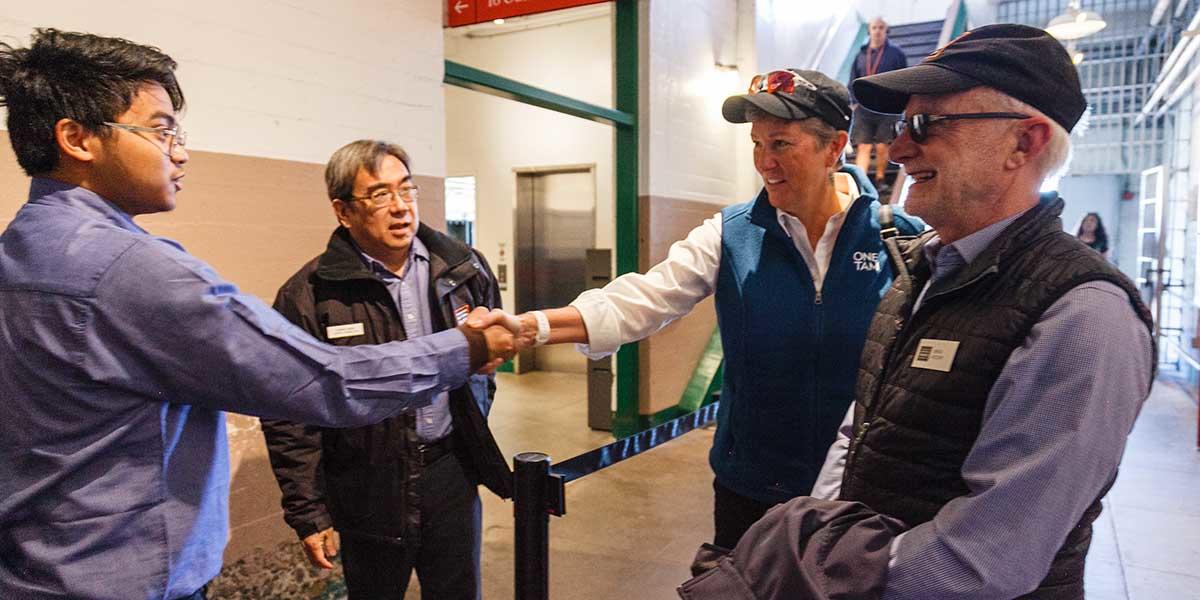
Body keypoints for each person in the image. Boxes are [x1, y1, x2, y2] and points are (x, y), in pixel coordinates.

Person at [0, 30, 517, 600]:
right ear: (77, 138)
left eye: (406, 190)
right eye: (161, 129)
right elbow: (324, 382)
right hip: (123, 576)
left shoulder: (22, 250)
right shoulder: (128, 270)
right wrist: (466, 347)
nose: (179, 151)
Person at [677, 25, 1155, 600]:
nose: (900, 150)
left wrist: (814, 578)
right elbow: (860, 431)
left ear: (1024, 144)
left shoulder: (1082, 314)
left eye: (928, 125)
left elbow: (986, 558)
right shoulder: (918, 272)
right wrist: (810, 537)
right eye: (903, 126)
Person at [481, 69, 922, 553]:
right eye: (756, 144)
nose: (764, 162)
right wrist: (531, 327)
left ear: (833, 147)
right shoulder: (732, 234)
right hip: (751, 488)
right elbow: (645, 299)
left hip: (854, 495)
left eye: (781, 144)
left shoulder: (899, 239)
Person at [260, 140, 511, 600]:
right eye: (379, 195)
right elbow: (288, 412)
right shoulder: (311, 294)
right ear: (343, 211)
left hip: (449, 470)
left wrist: (472, 417)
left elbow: (486, 357)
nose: (400, 208)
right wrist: (309, 511)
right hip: (365, 484)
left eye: (406, 190)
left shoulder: (462, 270)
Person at [849, 16, 908, 194]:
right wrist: (853, 102)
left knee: (883, 145)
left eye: (881, 27)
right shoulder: (860, 54)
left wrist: (900, 102)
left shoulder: (896, 53)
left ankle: (880, 180)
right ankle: (861, 183)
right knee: (863, 146)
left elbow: (904, 78)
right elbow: (853, 79)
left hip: (887, 107)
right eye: (874, 27)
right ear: (869, 30)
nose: (877, 31)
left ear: (886, 30)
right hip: (863, 108)